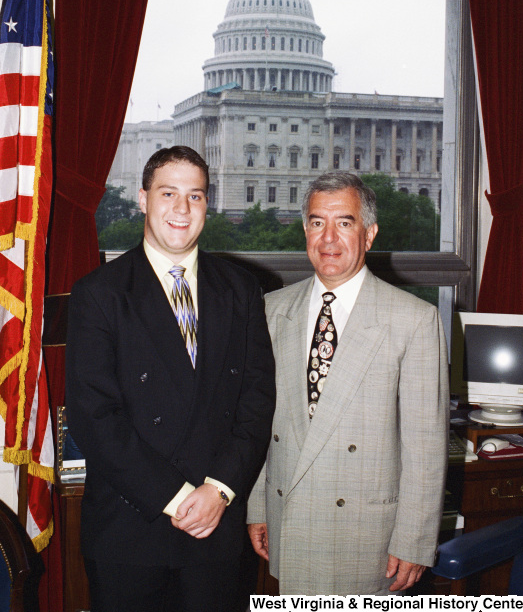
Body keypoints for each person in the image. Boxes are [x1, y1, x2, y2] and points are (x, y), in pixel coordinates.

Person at [66, 146, 275, 612]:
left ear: (207, 204)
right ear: (142, 199)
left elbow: (257, 401)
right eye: (168, 193)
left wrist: (219, 489)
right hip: (129, 531)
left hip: (214, 528)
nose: (181, 209)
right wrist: (178, 498)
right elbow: (94, 416)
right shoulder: (98, 294)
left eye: (195, 196)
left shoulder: (241, 289)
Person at [247, 171, 449, 595]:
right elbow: (260, 420)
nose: (328, 238)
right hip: (290, 516)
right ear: (305, 230)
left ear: (370, 233)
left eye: (345, 222)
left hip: (369, 534)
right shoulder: (270, 310)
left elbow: (425, 447)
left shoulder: (413, 319)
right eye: (318, 222)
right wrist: (257, 505)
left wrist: (414, 540)